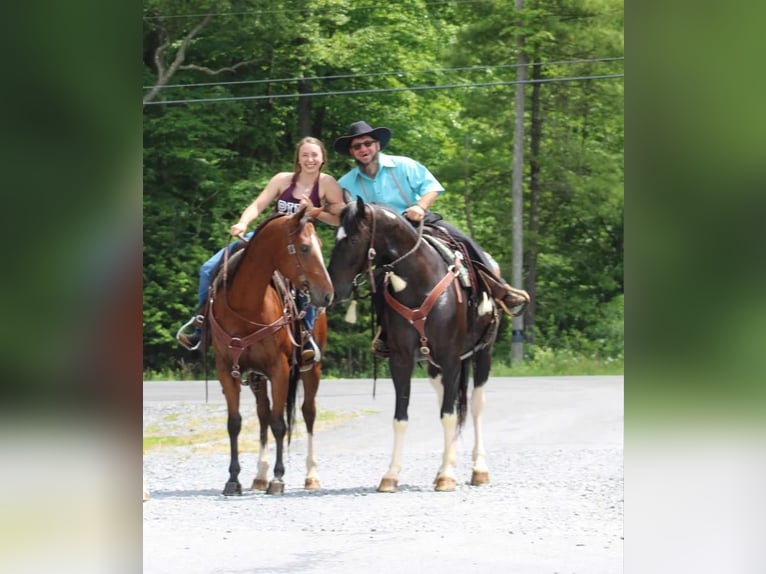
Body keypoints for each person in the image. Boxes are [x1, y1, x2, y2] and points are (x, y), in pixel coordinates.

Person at [333, 120, 530, 355]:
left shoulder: (402, 165)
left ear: (377, 145)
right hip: (382, 242)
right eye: (357, 147)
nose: (363, 149)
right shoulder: (345, 183)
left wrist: (420, 206)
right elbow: (347, 216)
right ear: (352, 152)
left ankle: (501, 289)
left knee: (463, 242)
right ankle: (386, 332)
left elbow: (431, 186)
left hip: (418, 223)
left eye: (367, 143)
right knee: (374, 280)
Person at [176, 136, 345, 366]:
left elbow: (337, 219)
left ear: (323, 157)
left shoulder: (327, 183)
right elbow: (258, 204)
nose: (310, 159)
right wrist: (243, 223)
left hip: (301, 245)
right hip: (267, 238)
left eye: (314, 154)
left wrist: (314, 211)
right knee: (208, 268)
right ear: (298, 158)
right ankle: (200, 323)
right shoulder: (283, 180)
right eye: (305, 154)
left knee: (309, 285)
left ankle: (305, 337)